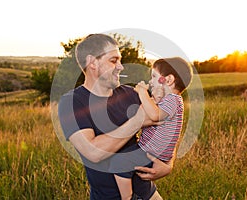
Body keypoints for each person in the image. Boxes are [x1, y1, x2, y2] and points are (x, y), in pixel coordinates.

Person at [58, 33, 175, 200]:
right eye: (113, 61)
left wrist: (168, 165)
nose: (121, 67)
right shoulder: (72, 103)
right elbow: (93, 152)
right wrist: (137, 120)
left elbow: (169, 123)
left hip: (149, 195)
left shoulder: (131, 93)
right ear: (93, 63)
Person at [109, 57, 193, 200]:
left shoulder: (173, 100)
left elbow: (154, 115)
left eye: (154, 76)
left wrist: (142, 92)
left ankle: (128, 197)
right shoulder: (168, 99)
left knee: (118, 162)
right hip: (152, 151)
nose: (151, 81)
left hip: (152, 152)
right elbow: (153, 108)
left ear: (168, 80)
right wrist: (154, 97)